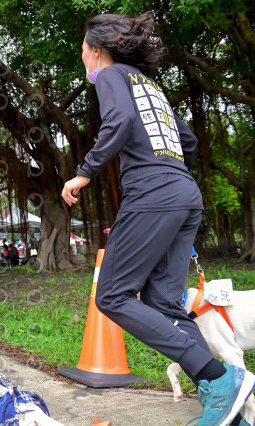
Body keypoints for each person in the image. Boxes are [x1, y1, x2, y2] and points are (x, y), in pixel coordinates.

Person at [60, 12, 255, 426]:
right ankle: (228, 407)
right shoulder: (151, 87)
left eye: (82, 53)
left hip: (153, 194)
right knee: (165, 302)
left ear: (97, 52)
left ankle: (219, 379)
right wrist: (167, 170)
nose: (84, 60)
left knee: (112, 295)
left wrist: (84, 171)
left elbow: (121, 121)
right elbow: (187, 139)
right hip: (185, 193)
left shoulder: (112, 75)